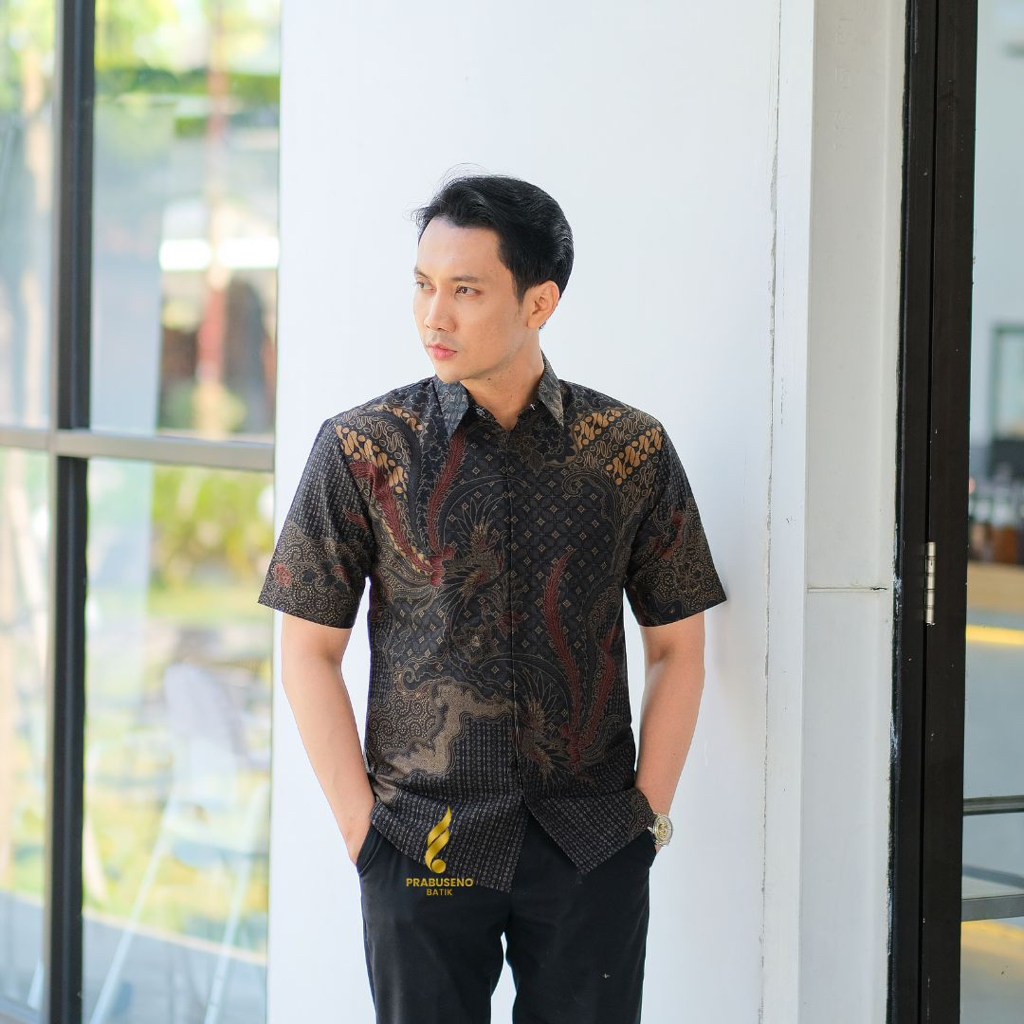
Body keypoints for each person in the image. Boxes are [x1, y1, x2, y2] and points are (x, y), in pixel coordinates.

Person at [257, 172, 728, 1023]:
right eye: (423, 285)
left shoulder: (628, 450)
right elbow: (307, 650)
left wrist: (644, 825)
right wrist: (366, 837)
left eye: (465, 291)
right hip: (422, 842)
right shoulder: (363, 449)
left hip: (591, 846)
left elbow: (677, 647)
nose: (433, 316)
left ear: (539, 301)